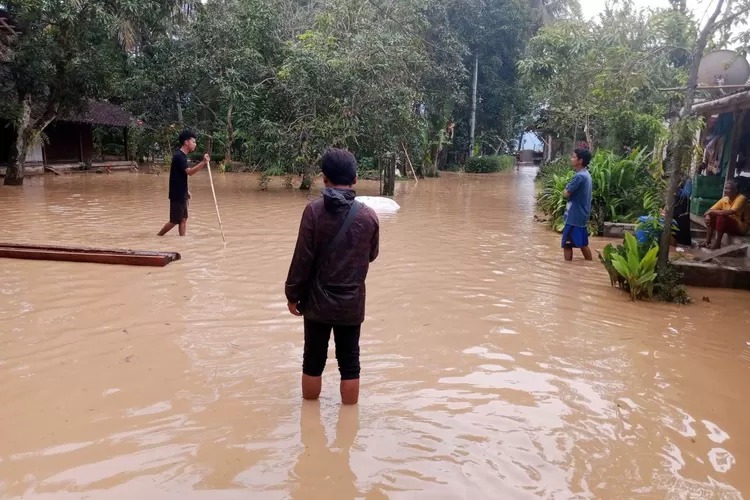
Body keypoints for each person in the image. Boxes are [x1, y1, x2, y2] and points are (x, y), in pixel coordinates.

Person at [285, 148, 380, 405]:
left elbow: (301, 260)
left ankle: (309, 419)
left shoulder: (313, 212)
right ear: (356, 179)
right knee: (350, 362)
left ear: (323, 177)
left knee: (312, 360)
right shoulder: (369, 216)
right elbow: (371, 255)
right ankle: (348, 423)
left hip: (316, 302)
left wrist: (292, 295)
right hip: (351, 302)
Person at [157, 130, 210, 237]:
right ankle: (158, 236)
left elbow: (179, 176)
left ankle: (182, 240)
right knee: (175, 220)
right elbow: (189, 172)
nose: (195, 144)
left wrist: (186, 190)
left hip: (181, 192)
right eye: (193, 142)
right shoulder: (179, 156)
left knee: (183, 219)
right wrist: (203, 163)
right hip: (177, 194)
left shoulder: (182, 156)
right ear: (186, 142)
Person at [561, 148, 593, 261]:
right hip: (581, 215)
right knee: (583, 244)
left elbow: (566, 193)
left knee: (567, 244)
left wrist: (566, 189)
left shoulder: (579, 176)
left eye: (574, 157)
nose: (571, 159)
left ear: (580, 160)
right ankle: (590, 264)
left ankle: (566, 271)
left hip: (574, 216)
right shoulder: (586, 174)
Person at [702, 179, 748, 250]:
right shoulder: (725, 199)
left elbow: (730, 212)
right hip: (728, 225)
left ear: (735, 190)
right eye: (725, 188)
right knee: (711, 216)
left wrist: (710, 212)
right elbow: (709, 211)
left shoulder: (741, 198)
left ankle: (717, 243)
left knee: (721, 217)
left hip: (740, 227)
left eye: (728, 189)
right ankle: (707, 242)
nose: (725, 190)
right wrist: (708, 215)